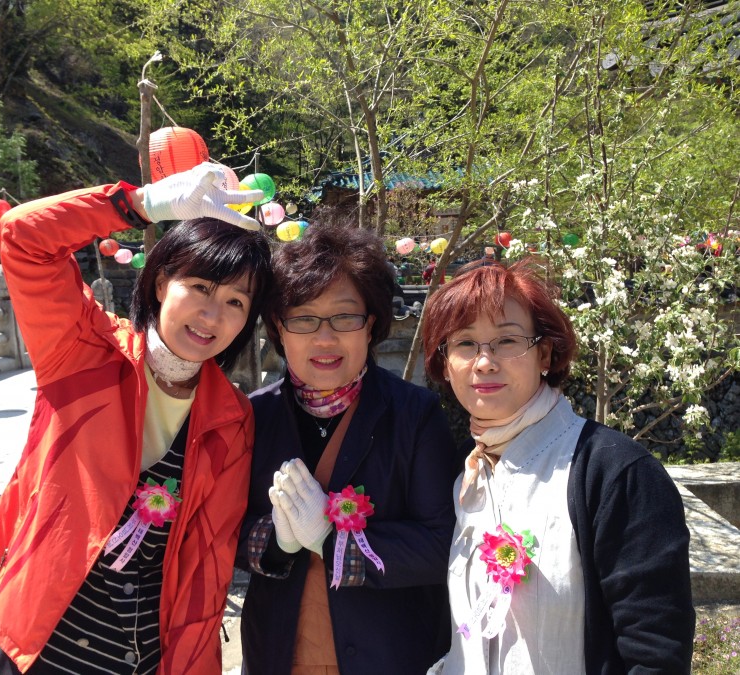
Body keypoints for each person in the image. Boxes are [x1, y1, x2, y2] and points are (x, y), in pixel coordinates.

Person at [0, 163, 272, 674]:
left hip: (141, 655)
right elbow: (23, 236)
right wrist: (141, 204)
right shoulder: (86, 350)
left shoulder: (231, 418)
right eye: (200, 287)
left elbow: (207, 563)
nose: (213, 315)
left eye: (235, 301)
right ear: (161, 282)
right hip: (44, 642)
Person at [421, 259, 694, 674]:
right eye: (464, 344)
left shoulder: (613, 473)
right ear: (445, 363)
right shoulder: (463, 472)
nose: (484, 362)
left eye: (507, 341)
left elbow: (656, 653)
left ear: (544, 354)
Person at [237, 223, 459, 674]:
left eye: (344, 317)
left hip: (389, 656)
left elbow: (443, 544)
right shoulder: (252, 417)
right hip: (279, 655)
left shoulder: (414, 415)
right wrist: (277, 540)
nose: (325, 338)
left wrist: (332, 540)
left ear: (370, 324)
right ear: (279, 327)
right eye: (303, 318)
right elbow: (217, 529)